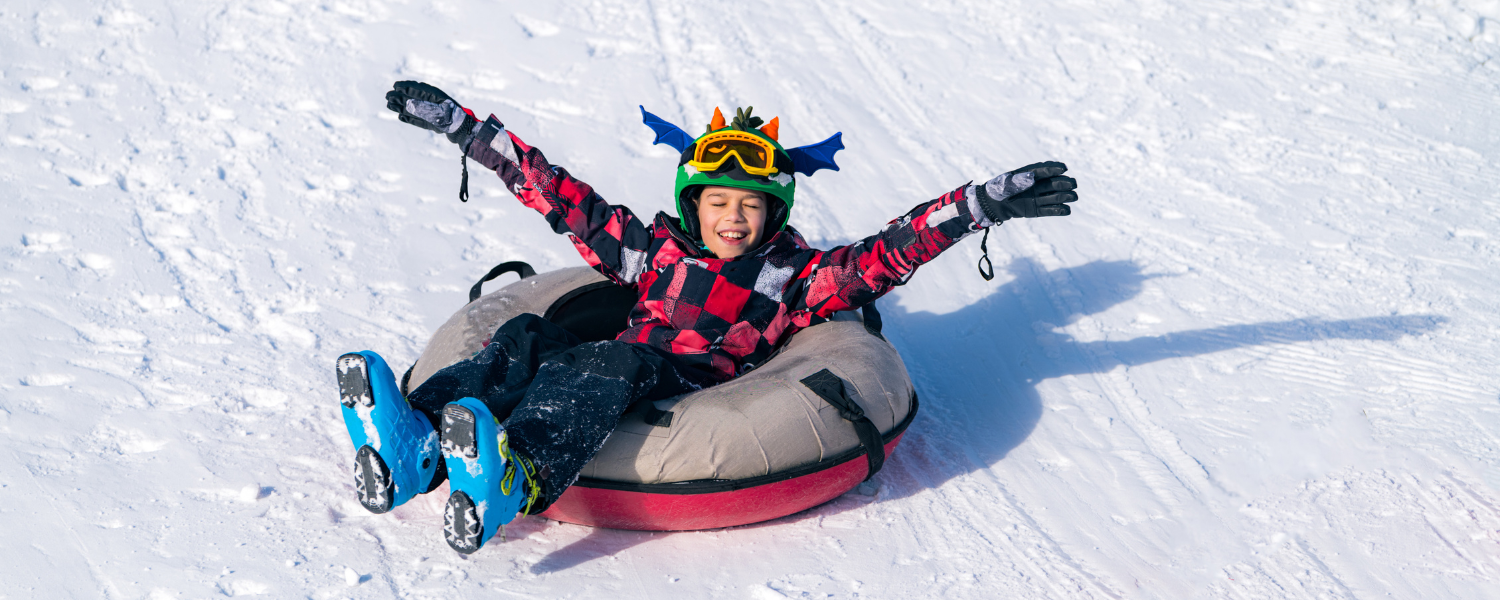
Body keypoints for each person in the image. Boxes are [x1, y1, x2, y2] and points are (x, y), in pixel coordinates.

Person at [335, 81, 1081, 555]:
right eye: (719, 203)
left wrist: (976, 206)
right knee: (531, 336)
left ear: (773, 213)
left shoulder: (795, 276)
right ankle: (418, 444)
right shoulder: (651, 253)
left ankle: (517, 476)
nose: (733, 219)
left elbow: (889, 252)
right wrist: (468, 131)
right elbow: (561, 195)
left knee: (609, 362)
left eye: (750, 206)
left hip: (682, 388)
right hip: (611, 367)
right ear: (694, 205)